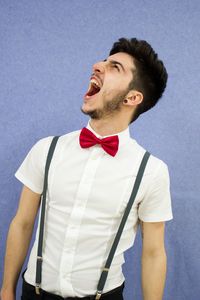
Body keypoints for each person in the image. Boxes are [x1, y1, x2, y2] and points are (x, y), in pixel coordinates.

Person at [0, 37, 173, 300]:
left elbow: (153, 253)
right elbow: (22, 223)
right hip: (33, 292)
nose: (97, 65)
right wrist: (6, 291)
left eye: (115, 67)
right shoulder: (47, 149)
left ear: (133, 97)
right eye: (104, 60)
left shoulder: (151, 171)